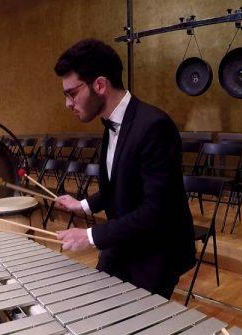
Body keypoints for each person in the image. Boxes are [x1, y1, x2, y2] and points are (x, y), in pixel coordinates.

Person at [53, 38, 196, 300]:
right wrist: (82, 205)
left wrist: (90, 235)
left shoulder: (154, 126)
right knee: (95, 305)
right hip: (125, 239)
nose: (68, 104)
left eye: (72, 93)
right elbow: (118, 185)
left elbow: (156, 212)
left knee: (134, 329)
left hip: (156, 249)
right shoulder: (111, 123)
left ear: (99, 85)